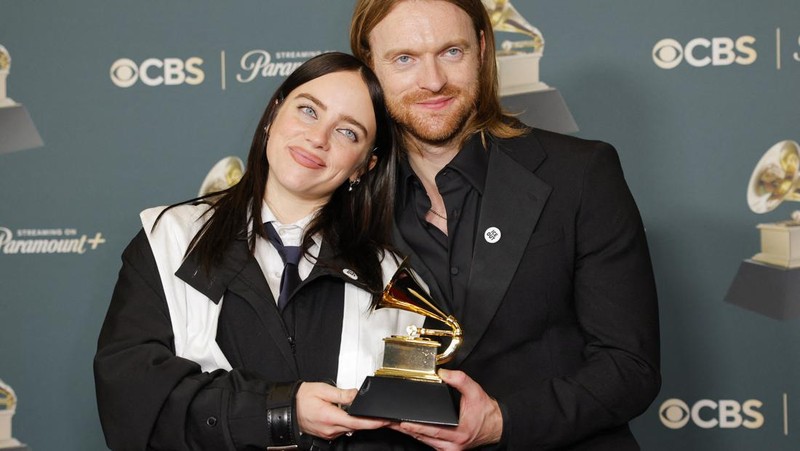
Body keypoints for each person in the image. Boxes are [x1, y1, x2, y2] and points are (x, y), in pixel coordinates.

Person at [349, 1, 661, 449]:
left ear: (481, 48)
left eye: (451, 52)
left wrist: (502, 421)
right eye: (404, 59)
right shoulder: (346, 197)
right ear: (370, 66)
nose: (433, 80)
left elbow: (630, 366)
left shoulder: (581, 173)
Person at [94, 52, 429, 450]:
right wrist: (280, 411)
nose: (318, 138)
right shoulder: (169, 239)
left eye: (348, 133)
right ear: (273, 114)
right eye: (308, 111)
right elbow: (132, 396)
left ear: (364, 167)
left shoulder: (392, 279)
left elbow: (411, 432)